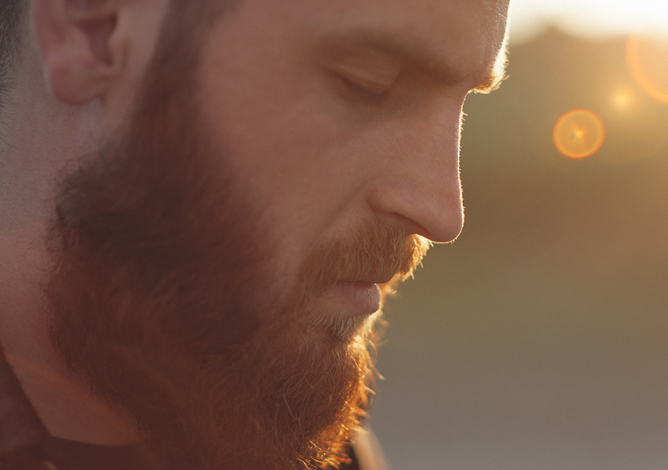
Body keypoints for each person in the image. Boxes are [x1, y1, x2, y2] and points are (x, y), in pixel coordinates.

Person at [0, 0, 509, 469]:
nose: (445, 214)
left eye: (463, 105)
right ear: (94, 25)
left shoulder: (281, 424)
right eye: (367, 82)